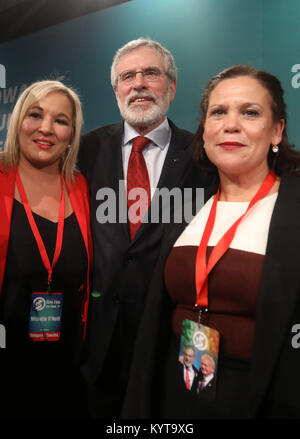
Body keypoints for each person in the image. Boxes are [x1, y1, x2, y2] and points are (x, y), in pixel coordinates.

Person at [122, 65, 300, 419]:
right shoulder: (187, 204)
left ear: (276, 130)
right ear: (204, 131)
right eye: (218, 112)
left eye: (250, 112)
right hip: (177, 390)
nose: (230, 124)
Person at [78, 37, 213, 418]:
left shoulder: (205, 156)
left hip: (169, 345)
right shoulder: (84, 150)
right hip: (96, 350)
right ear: (116, 89)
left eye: (150, 73)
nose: (138, 83)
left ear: (171, 86)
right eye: (127, 76)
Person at [0, 80, 93, 419]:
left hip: (66, 376)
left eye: (61, 120)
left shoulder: (81, 188)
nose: (46, 128)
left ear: (72, 133)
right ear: (17, 121)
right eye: (35, 115)